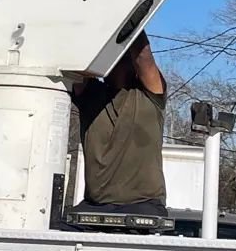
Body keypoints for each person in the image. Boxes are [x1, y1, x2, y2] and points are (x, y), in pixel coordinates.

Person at [71, 33, 167, 217]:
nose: (113, 62)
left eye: (119, 56)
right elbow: (74, 61)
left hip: (142, 205)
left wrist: (129, 18)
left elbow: (143, 56)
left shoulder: (150, 94)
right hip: (94, 205)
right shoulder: (91, 95)